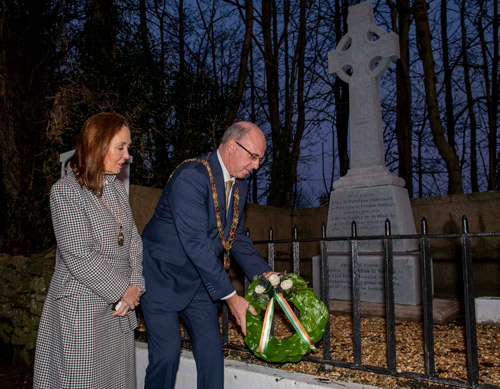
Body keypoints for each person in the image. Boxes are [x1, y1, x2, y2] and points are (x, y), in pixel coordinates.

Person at [141, 121, 273, 389]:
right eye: (253, 156)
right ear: (231, 145)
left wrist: (264, 273)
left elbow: (234, 236)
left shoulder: (240, 183)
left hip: (199, 281)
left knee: (212, 353)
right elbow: (196, 244)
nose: (256, 165)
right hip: (162, 276)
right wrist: (232, 298)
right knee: (167, 352)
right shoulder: (191, 177)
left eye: (261, 159)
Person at [34, 112, 145, 388]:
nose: (127, 155)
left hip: (119, 308)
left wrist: (136, 284)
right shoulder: (66, 192)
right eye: (121, 147)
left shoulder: (117, 189)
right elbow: (79, 256)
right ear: (99, 145)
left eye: (127, 147)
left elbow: (133, 240)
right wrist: (123, 290)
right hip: (82, 309)